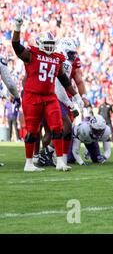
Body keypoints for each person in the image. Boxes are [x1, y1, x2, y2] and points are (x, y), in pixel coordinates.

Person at [12, 14, 79, 172]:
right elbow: (16, 46)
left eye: (51, 43)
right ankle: (29, 163)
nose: (49, 46)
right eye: (46, 43)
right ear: (40, 43)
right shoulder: (31, 55)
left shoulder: (56, 59)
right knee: (32, 130)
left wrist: (75, 95)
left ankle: (60, 161)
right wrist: (17, 28)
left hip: (50, 96)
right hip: (32, 96)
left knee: (58, 127)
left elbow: (64, 79)